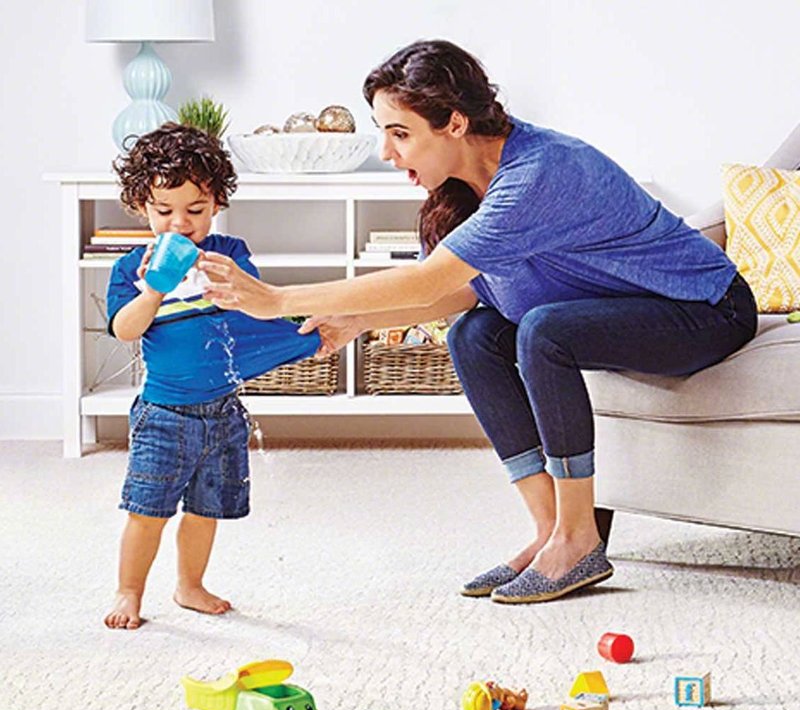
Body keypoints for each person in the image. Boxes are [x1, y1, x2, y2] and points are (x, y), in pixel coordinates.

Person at [199, 41, 758, 604]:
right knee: (477, 335)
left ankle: (578, 537)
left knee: (544, 331)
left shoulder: (540, 172)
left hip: (705, 308)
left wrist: (274, 298)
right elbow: (460, 295)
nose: (388, 153)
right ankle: (549, 533)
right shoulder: (468, 190)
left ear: (455, 123)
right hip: (624, 312)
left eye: (399, 132)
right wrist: (355, 320)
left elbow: (428, 281)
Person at [104, 123, 320, 629]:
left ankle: (189, 585)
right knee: (148, 509)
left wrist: (229, 280)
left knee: (205, 510)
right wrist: (155, 289)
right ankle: (129, 591)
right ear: (141, 207)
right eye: (164, 212)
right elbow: (124, 330)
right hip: (164, 414)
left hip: (223, 411)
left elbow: (258, 311)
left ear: (217, 202)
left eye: (196, 211)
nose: (181, 224)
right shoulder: (133, 269)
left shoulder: (230, 252)